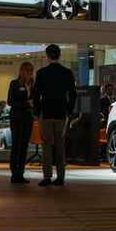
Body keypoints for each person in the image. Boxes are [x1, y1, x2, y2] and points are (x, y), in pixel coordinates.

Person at [31, 44, 76, 187]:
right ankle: (61, 176)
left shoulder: (42, 73)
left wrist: (37, 112)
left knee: (46, 145)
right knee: (59, 145)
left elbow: (36, 94)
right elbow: (73, 95)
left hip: (46, 111)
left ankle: (47, 176)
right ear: (59, 55)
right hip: (61, 112)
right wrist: (69, 110)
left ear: (47, 56)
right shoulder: (67, 73)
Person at [6, 62, 35, 184]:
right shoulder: (15, 84)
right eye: (27, 69)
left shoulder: (34, 85)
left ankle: (21, 173)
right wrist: (26, 103)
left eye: (31, 70)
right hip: (17, 118)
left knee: (24, 147)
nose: (29, 72)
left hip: (29, 118)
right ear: (22, 71)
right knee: (16, 145)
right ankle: (14, 174)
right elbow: (10, 101)